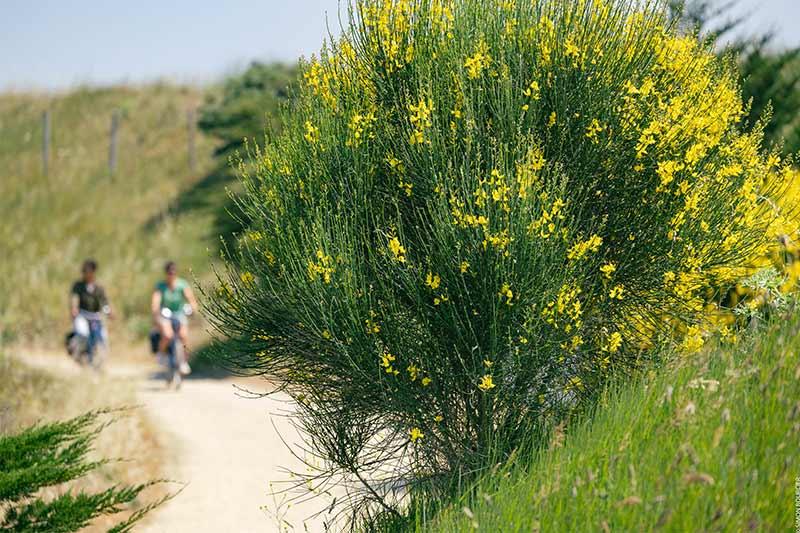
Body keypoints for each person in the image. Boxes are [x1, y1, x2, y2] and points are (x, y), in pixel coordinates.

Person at [151, 261, 198, 375]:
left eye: (173, 272)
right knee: (167, 335)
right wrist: (156, 312)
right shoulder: (160, 286)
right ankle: (161, 355)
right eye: (169, 272)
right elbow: (155, 302)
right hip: (165, 314)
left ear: (176, 273)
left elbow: (191, 299)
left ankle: (184, 362)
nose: (171, 274)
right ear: (166, 273)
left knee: (184, 336)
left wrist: (193, 308)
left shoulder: (182, 284)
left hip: (179, 313)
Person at [69, 259, 112, 366]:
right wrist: (74, 309)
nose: (86, 274)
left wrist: (109, 312)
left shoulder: (98, 287)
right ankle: (77, 351)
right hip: (82, 314)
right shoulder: (78, 286)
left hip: (95, 317)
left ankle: (96, 362)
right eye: (84, 272)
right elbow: (75, 298)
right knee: (83, 334)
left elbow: (104, 303)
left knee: (102, 339)